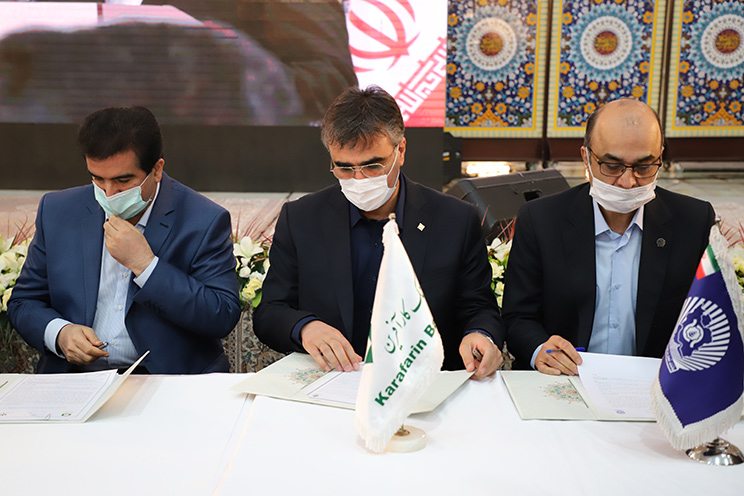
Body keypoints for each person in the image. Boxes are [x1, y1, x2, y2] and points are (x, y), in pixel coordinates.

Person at [253, 86, 504, 379]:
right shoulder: (301, 219)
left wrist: (480, 335)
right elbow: (270, 312)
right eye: (344, 168)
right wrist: (305, 327)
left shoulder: (454, 219)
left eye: (372, 166)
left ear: (400, 151)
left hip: (426, 384)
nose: (359, 179)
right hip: (334, 380)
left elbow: (479, 307)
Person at [7, 106, 241, 373]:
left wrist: (146, 266)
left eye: (123, 180)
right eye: (98, 179)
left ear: (156, 170)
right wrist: (59, 333)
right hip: (77, 378)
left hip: (167, 379)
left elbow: (221, 315)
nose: (109, 193)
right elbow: (24, 302)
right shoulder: (58, 210)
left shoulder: (204, 219)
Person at [502, 98, 716, 375]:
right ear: (586, 157)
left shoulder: (693, 221)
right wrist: (539, 349)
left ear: (660, 156)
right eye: (612, 166)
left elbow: (706, 316)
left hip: (652, 383)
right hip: (566, 379)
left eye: (644, 167)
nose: (628, 182)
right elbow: (517, 316)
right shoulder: (542, 219)